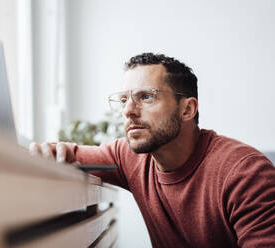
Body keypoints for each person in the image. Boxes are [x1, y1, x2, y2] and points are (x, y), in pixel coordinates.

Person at [29, 53, 275, 247]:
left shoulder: (246, 173)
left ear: (187, 110)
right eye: (124, 100)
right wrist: (46, 154)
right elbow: (65, 154)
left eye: (146, 97)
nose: (128, 111)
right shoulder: (129, 156)